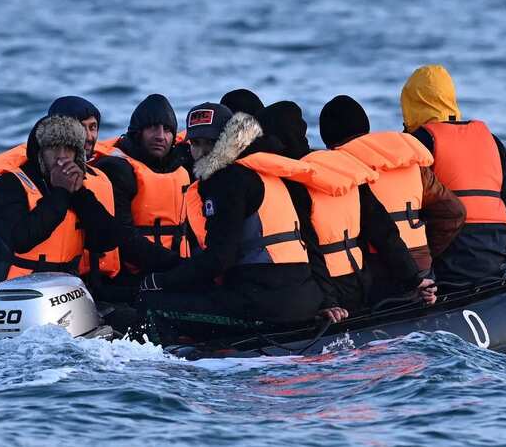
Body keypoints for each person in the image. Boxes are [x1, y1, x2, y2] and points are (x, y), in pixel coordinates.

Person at [135, 103, 328, 345]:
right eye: (196, 143)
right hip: (303, 299)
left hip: (264, 306)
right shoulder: (264, 169)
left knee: (151, 304)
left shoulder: (226, 180)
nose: (204, 151)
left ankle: (168, 370)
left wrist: (161, 281)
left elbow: (219, 259)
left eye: (211, 142)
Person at [256, 101, 437, 315]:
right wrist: (413, 280)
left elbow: (310, 249)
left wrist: (328, 302)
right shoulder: (345, 167)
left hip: (330, 293)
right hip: (362, 283)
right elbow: (384, 231)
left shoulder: (290, 182)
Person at [0, 116, 118, 324]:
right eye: (54, 149)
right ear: (39, 153)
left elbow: (107, 240)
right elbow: (23, 239)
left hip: (60, 302)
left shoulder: (76, 188)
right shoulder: (10, 184)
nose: (62, 159)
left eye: (69, 150)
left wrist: (80, 195)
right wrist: (60, 193)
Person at [400, 65, 506, 285]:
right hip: (496, 253)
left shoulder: (418, 143)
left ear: (410, 103)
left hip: (447, 261)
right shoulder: (490, 140)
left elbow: (403, 212)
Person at [318, 95, 466, 275]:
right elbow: (454, 212)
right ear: (366, 127)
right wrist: (426, 251)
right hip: (421, 266)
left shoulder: (338, 167)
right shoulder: (411, 161)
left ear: (327, 140)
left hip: (377, 272)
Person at [92, 94, 191, 280]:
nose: (161, 136)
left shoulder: (182, 166)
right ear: (138, 132)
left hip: (177, 267)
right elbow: (124, 237)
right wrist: (178, 266)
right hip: (131, 275)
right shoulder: (117, 169)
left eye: (167, 129)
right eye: (153, 128)